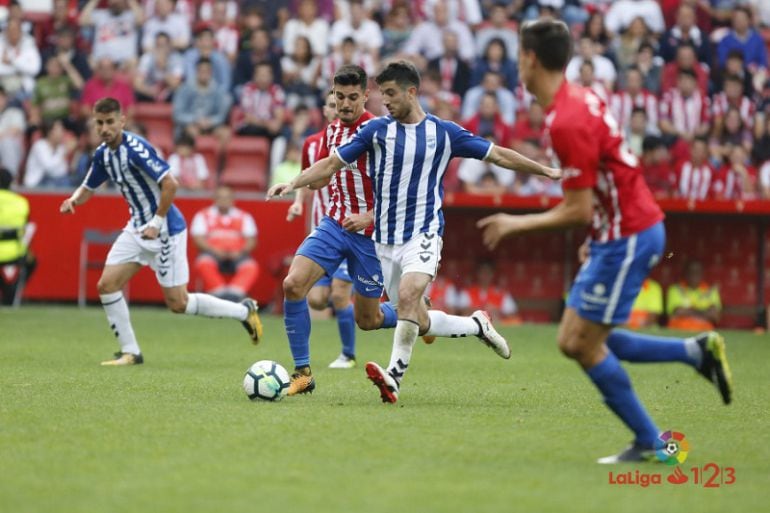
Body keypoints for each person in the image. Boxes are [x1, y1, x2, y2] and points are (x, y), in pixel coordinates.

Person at [477, 19, 733, 463]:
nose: (519, 64)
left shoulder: (567, 121)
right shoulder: (579, 100)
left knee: (578, 341)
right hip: (620, 230)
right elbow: (606, 183)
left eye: (520, 55)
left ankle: (653, 441)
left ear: (530, 59)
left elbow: (577, 208)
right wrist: (596, 233)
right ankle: (695, 352)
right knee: (587, 337)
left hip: (628, 235)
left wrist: (514, 224)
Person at [269, 60, 560, 403]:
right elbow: (329, 166)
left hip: (401, 233)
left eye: (388, 94)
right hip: (349, 228)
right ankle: (474, 325)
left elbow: (498, 155)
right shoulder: (366, 133)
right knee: (320, 294)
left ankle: (392, 378)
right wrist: (293, 184)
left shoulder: (439, 132)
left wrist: (546, 171)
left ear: (409, 92)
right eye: (338, 97)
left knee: (398, 305)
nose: (384, 101)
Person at [59, 98, 263, 365]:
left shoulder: (136, 149)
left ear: (122, 121)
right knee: (106, 285)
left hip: (165, 230)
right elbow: (88, 188)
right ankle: (131, 351)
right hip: (137, 228)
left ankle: (243, 311)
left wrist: (156, 223)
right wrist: (74, 199)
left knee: (179, 303)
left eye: (110, 122)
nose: (105, 128)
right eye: (100, 123)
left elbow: (170, 183)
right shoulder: (103, 154)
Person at [286, 90, 358, 369]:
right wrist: (296, 203)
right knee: (316, 300)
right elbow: (307, 179)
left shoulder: (357, 138)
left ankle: (347, 354)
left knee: (340, 293)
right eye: (330, 104)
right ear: (325, 110)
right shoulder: (312, 144)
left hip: (351, 228)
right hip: (324, 226)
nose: (335, 108)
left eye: (337, 103)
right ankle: (412, 309)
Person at [191, 185, 259, 302]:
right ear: (215, 199)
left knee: (250, 266)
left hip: (237, 254)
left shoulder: (243, 216)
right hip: (213, 253)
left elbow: (251, 240)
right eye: (220, 197)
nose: (224, 201)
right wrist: (214, 250)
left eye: (227, 198)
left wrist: (240, 252)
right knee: (203, 262)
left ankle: (234, 294)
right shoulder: (203, 215)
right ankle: (219, 294)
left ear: (233, 199)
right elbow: (198, 239)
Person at [0, 167, 35, 305]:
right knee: (32, 263)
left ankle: (7, 291)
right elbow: (24, 229)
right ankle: (12, 292)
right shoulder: (21, 202)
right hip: (14, 252)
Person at [667, 260, 721, 331]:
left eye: (697, 271)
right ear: (685, 273)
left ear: (702, 273)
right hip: (679, 330)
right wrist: (704, 312)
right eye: (691, 271)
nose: (694, 274)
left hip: (704, 332)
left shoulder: (711, 291)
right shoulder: (675, 289)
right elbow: (678, 312)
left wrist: (688, 311)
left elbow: (715, 316)